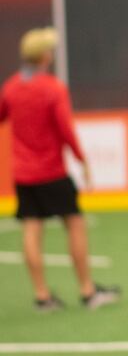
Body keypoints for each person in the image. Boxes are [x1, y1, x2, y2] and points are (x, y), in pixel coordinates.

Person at [0, 27, 120, 311]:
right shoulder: (53, 88)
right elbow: (66, 129)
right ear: (43, 56)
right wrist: (81, 160)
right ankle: (88, 291)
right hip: (52, 171)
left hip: (24, 174)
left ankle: (42, 296)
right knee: (75, 225)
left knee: (31, 229)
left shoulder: (12, 87)